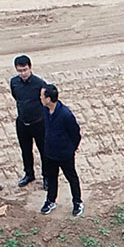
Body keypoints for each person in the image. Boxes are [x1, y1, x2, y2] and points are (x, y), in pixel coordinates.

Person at [38, 83, 83, 216]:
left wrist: (71, 149)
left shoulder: (65, 114)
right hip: (50, 152)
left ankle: (77, 202)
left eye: (42, 96)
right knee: (51, 177)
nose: (40, 98)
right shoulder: (45, 110)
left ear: (48, 99)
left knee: (71, 178)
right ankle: (50, 200)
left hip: (64, 154)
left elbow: (75, 134)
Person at [8, 56, 47, 187]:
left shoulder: (40, 84)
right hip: (22, 122)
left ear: (30, 68)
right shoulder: (14, 82)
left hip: (39, 122)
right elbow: (16, 97)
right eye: (19, 71)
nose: (23, 73)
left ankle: (47, 177)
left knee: (44, 151)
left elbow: (46, 102)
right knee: (25, 150)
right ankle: (29, 174)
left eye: (25, 70)